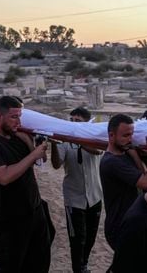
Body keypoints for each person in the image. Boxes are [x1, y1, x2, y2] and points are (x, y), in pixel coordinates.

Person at [0, 96, 51, 272]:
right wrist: (33, 155)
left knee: (40, 263)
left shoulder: (17, 136)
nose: (19, 121)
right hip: (9, 219)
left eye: (20, 116)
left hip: (34, 210)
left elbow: (40, 160)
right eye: (14, 117)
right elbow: (4, 177)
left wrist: (29, 143)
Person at [51, 107, 103, 273]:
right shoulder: (65, 141)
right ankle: (78, 269)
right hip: (74, 198)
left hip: (95, 195)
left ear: (86, 123)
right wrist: (54, 144)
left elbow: (97, 151)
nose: (73, 123)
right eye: (71, 120)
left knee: (90, 236)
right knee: (77, 238)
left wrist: (78, 140)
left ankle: (84, 264)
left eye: (78, 121)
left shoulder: (95, 138)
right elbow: (56, 164)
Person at [99, 114, 147, 250]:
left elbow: (143, 174)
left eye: (131, 135)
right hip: (120, 227)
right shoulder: (111, 162)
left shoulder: (125, 153)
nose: (130, 139)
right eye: (125, 136)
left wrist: (134, 154)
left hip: (132, 223)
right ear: (111, 136)